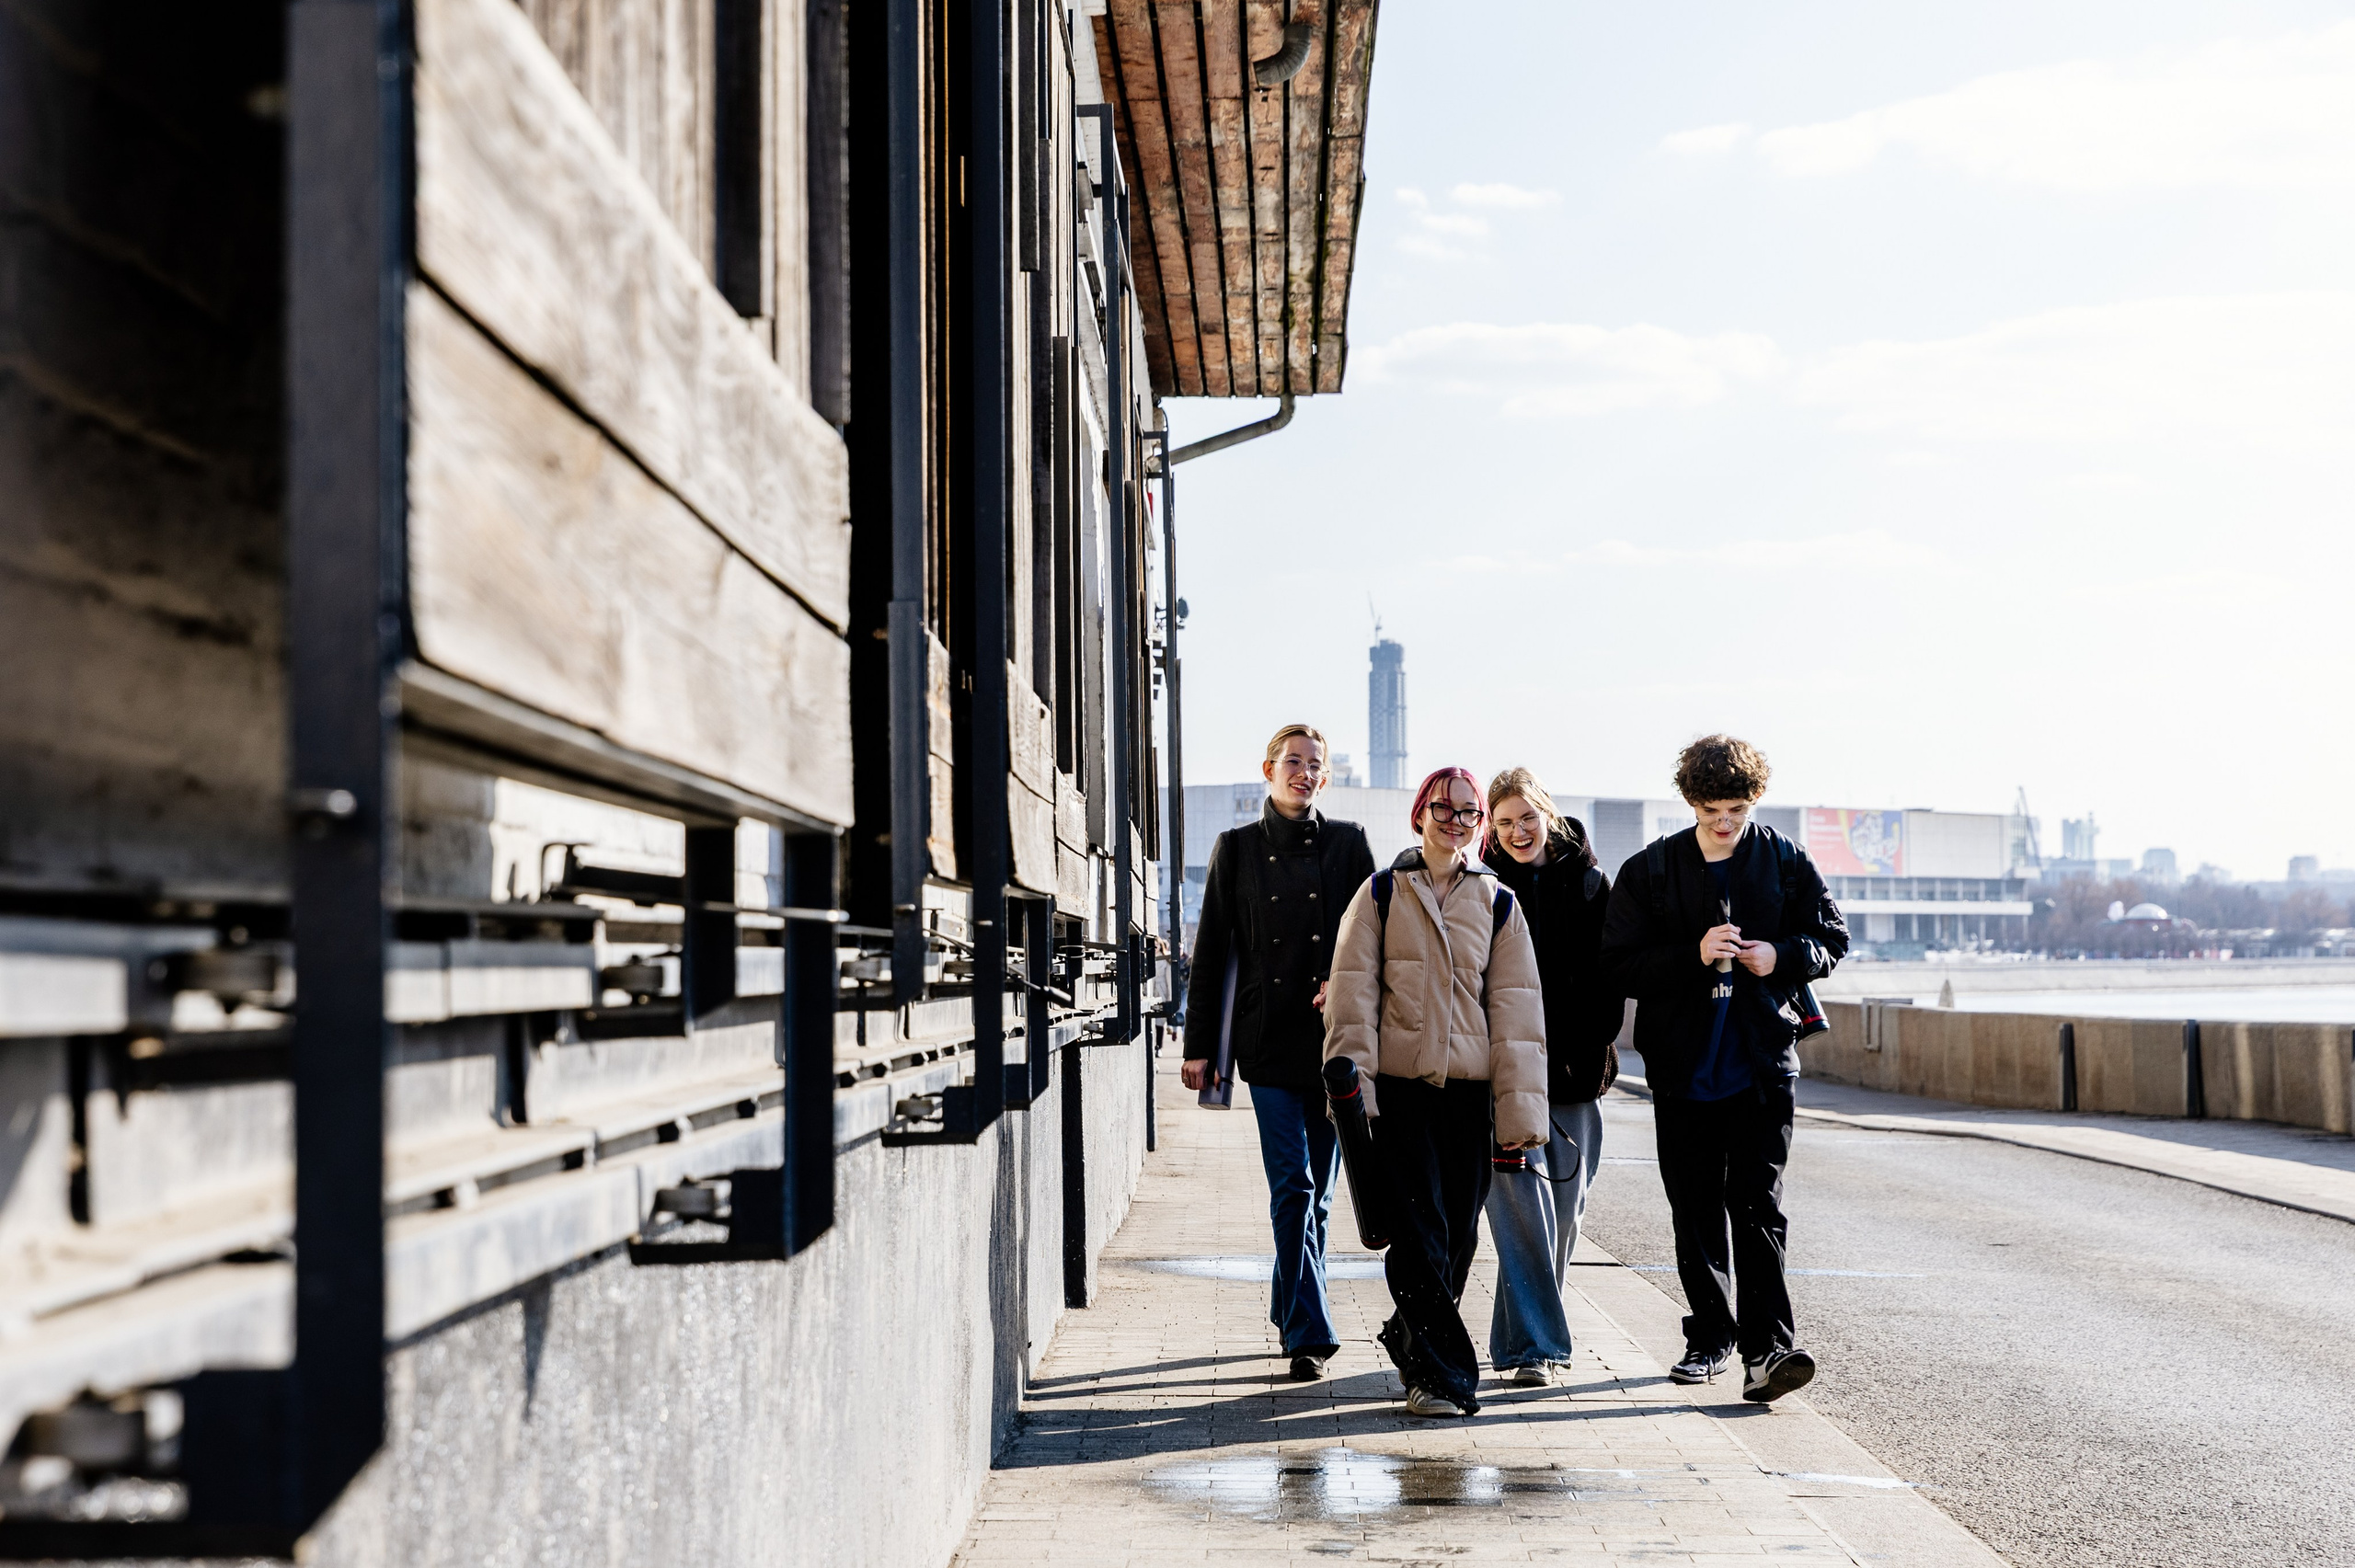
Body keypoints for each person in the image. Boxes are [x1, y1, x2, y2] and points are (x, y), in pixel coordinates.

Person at [1600, 735, 1847, 1405]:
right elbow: (1616, 963)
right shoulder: (1651, 870)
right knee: (1696, 1207)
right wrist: (1693, 953)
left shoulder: (1786, 860)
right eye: (1712, 810)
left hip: (1764, 1064)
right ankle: (1710, 1335)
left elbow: (1833, 939)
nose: (1726, 822)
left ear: (1755, 800)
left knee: (1759, 1207)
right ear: (1690, 803)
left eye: (1737, 807)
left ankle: (1767, 1349)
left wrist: (1781, 954)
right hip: (1682, 1069)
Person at [1324, 766, 1547, 1418]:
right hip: (1401, 1093)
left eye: (1469, 812)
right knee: (1418, 1233)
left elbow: (1517, 1015)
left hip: (1468, 1097)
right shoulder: (1379, 894)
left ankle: (1406, 1333)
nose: (1456, 820)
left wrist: (1518, 1112)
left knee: (1457, 1239)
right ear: (1419, 813)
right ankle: (1444, 1377)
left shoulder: (1499, 903)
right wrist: (1354, 1091)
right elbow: (1351, 996)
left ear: (1480, 826)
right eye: (1443, 808)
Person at [1180, 724, 1376, 1380]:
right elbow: (1212, 950)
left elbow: (1372, 941)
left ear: (1325, 777)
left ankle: (1286, 1300)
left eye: (1314, 764)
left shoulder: (1349, 846)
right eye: (1292, 761)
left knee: (1318, 1196)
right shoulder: (1235, 848)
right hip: (1264, 1041)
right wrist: (1200, 1044)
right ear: (1268, 768)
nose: (1303, 772)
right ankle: (1307, 1334)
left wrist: (1343, 986)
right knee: (1291, 1184)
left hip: (1335, 1044)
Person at [1479, 767, 1624, 1387]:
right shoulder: (1478, 887)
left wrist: (1583, 1042)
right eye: (1505, 821)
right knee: (1521, 1216)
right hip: (1504, 1078)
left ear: (1547, 813)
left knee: (1565, 1216)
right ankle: (1532, 1348)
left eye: (1526, 817)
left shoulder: (1591, 883)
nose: (1517, 831)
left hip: (1573, 1076)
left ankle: (1519, 1338)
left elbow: (1612, 978)